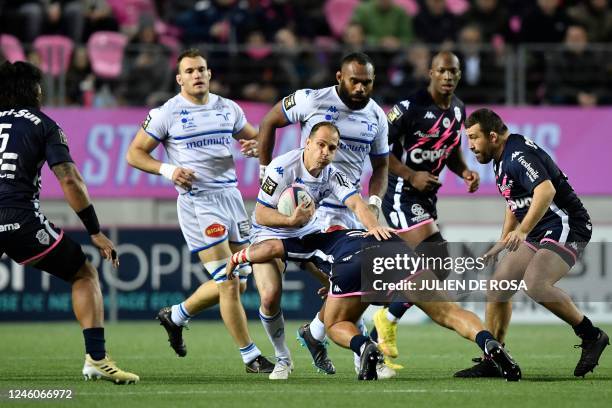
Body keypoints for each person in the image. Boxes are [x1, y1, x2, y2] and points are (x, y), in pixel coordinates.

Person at [126, 48, 274, 373]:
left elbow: (260, 137)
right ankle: (251, 356)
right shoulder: (167, 113)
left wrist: (256, 146)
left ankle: (176, 315)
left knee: (241, 281)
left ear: (209, 74)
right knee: (229, 282)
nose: (197, 75)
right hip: (198, 202)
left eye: (201, 69)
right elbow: (134, 154)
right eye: (190, 70)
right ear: (179, 78)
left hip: (232, 199)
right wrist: (168, 171)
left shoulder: (227, 108)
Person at [225, 229, 522, 381]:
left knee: (336, 323)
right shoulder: (359, 228)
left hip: (354, 265)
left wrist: (237, 257)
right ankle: (490, 344)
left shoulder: (311, 238)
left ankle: (364, 347)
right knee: (449, 312)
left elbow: (272, 248)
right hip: (399, 252)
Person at [0, 60, 138, 384]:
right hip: (19, 218)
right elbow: (70, 179)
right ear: (33, 90)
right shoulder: (43, 124)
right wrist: (95, 230)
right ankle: (97, 359)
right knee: (83, 272)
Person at [257, 52, 390, 376]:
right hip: (306, 205)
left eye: (367, 82)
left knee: (356, 280)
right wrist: (265, 172)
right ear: (339, 78)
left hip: (347, 200)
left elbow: (382, 166)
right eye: (354, 80)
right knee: (343, 280)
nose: (360, 87)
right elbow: (269, 121)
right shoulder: (310, 100)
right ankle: (324, 347)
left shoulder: (377, 116)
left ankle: (327, 339)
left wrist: (373, 202)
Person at [457, 108, 609, 378]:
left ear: (492, 136)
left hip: (567, 225)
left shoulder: (517, 155)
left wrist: (523, 231)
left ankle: (591, 336)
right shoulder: (500, 156)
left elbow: (545, 190)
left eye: (473, 138)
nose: (470, 146)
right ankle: (495, 357)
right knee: (498, 285)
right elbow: (513, 201)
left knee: (535, 284)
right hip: (541, 229)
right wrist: (504, 240)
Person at [373, 51, 480, 366]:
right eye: (443, 71)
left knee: (436, 269)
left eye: (454, 72)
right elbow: (379, 152)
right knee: (435, 255)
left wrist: (464, 173)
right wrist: (410, 175)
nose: (448, 77)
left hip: (425, 198)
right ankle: (386, 316)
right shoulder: (408, 108)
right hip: (400, 194)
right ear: (431, 72)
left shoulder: (459, 110)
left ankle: (387, 315)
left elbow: (451, 147)